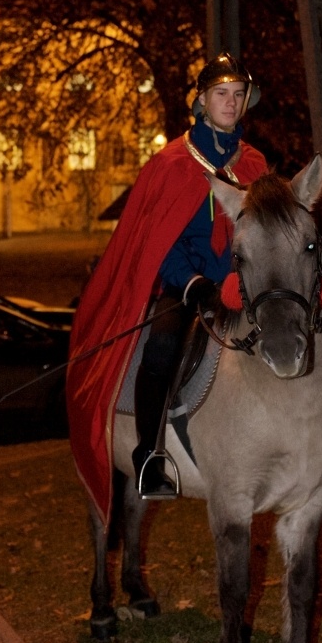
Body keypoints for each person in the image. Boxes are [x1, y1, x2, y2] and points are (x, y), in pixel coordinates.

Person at [67, 54, 268, 524]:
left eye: (239, 95)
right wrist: (193, 283)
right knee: (161, 345)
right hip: (184, 287)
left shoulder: (254, 164)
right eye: (222, 94)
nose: (231, 103)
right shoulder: (170, 164)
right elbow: (158, 240)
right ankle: (148, 455)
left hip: (239, 286)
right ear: (201, 102)